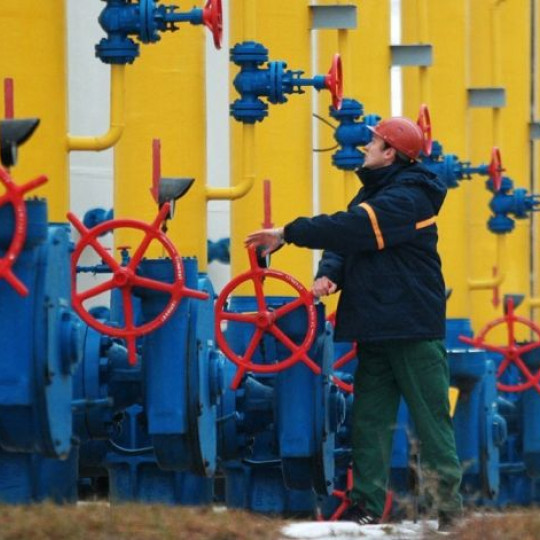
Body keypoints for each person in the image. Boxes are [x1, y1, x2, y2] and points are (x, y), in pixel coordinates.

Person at [245, 115, 463, 531]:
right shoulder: (375, 192)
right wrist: (330, 273)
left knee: (431, 422)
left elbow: (355, 228)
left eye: (374, 142)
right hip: (376, 326)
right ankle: (366, 504)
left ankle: (449, 510)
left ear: (391, 153)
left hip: (412, 328)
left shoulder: (408, 198)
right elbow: (346, 243)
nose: (366, 147)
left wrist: (288, 233)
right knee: (369, 421)